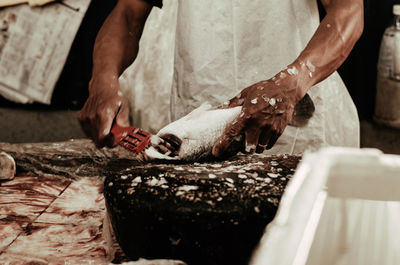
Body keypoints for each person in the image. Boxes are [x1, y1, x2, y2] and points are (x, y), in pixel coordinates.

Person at [78, 0, 364, 157]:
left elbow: (348, 11)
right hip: (200, 123)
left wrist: (290, 86)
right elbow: (129, 12)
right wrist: (103, 81)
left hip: (298, 122)